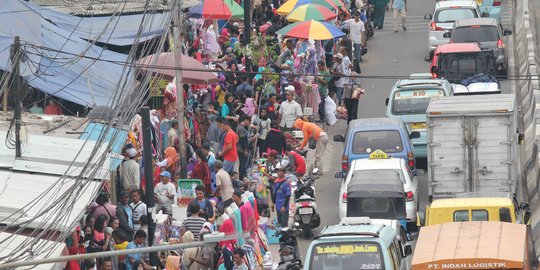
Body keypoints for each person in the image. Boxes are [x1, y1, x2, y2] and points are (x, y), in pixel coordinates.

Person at [236, 116, 254, 181]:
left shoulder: (244, 128)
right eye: (249, 121)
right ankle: (241, 179)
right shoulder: (241, 128)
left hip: (243, 149)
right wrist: (245, 149)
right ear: (246, 120)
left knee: (244, 165)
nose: (249, 123)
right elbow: (242, 140)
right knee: (242, 165)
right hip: (241, 150)